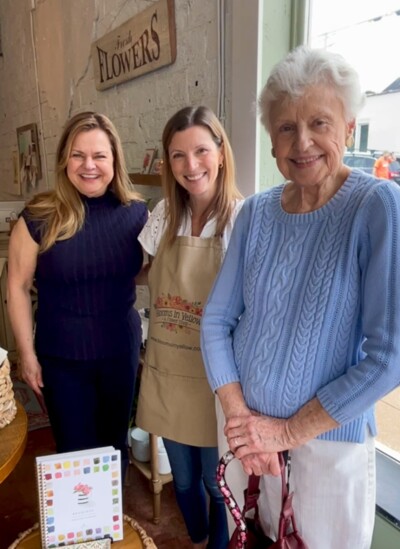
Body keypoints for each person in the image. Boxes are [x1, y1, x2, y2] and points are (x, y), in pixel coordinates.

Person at [201, 46, 400, 549]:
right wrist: (243, 424)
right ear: (271, 140)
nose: (302, 142)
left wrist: (285, 433)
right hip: (243, 437)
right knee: (249, 538)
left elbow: (392, 358)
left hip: (324, 449)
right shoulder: (255, 212)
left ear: (347, 128)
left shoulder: (376, 205)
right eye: (285, 128)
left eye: (319, 122)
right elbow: (215, 323)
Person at [7, 111, 148, 476]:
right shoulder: (39, 216)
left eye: (99, 156)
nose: (89, 165)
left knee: (115, 449)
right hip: (62, 359)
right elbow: (18, 288)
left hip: (120, 351)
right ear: (64, 161)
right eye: (78, 155)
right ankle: (82, 531)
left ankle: (111, 527)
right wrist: (27, 354)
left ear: (114, 160)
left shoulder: (137, 214)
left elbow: (146, 272)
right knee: (74, 454)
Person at [136, 105, 243, 549]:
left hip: (216, 377)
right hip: (166, 367)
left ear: (220, 152)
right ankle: (198, 540)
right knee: (181, 479)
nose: (190, 165)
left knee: (215, 483)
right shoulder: (164, 213)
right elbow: (143, 271)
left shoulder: (241, 218)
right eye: (178, 155)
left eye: (201, 150)